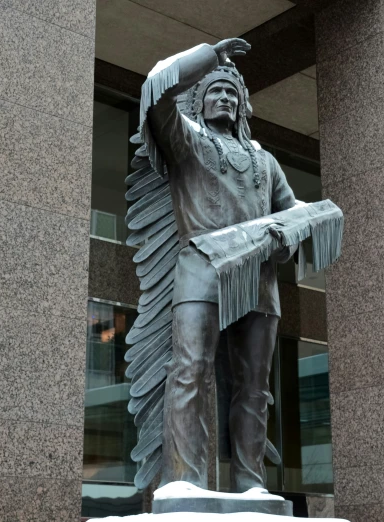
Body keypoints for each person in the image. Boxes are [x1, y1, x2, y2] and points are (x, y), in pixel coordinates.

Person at [139, 38, 297, 493]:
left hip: (260, 280)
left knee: (254, 389)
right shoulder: (185, 139)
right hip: (202, 270)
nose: (225, 98)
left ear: (242, 106)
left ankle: (251, 484)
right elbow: (156, 89)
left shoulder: (265, 162)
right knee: (190, 370)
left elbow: (292, 218)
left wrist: (288, 235)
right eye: (216, 91)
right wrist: (210, 56)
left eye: (232, 93)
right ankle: (185, 481)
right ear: (200, 101)